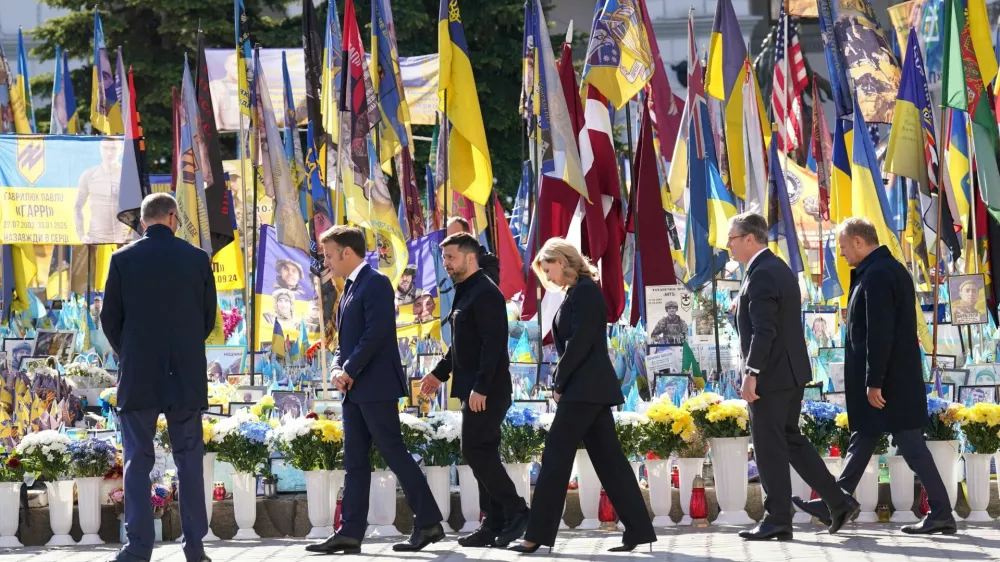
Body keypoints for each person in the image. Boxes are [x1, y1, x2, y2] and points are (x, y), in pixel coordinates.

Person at [793, 218, 958, 535]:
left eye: (842, 246)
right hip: (892, 377)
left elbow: (880, 332)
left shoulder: (879, 274)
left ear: (858, 241)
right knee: (865, 436)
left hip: (889, 382)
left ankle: (940, 512)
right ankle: (836, 502)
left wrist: (874, 381)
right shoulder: (882, 270)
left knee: (910, 444)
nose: (841, 254)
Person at [511, 237, 657, 554]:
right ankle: (639, 530)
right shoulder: (577, 292)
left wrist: (559, 382)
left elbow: (580, 343)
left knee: (554, 460)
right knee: (610, 463)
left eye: (548, 270)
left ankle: (535, 535)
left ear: (562, 262)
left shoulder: (587, 291)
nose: (547, 278)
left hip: (583, 391)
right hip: (589, 391)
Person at [306, 225, 443, 555]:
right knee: (354, 461)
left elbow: (377, 333)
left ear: (347, 253)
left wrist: (348, 369)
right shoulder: (350, 288)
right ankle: (350, 532)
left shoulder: (376, 283)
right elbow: (345, 341)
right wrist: (339, 368)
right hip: (355, 388)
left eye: (329, 255)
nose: (326, 261)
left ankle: (428, 523)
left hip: (375, 385)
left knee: (393, 452)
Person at [726, 213, 859, 541]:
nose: (727, 245)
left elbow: (764, 330)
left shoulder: (761, 275)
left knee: (769, 446)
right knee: (790, 440)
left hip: (771, 376)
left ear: (749, 239)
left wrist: (751, 373)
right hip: (788, 373)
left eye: (731, 238)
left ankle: (778, 519)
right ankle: (838, 502)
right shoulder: (774, 268)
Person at [100, 193, 214, 562]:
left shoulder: (122, 259)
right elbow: (207, 319)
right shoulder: (197, 259)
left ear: (145, 221)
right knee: (189, 461)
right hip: (185, 374)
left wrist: (132, 351)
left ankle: (137, 549)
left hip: (139, 374)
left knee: (137, 461)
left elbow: (109, 319)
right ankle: (195, 549)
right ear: (171, 216)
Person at [420, 233, 530, 548]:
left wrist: (481, 386)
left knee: (476, 451)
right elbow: (461, 345)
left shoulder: (486, 293)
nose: (446, 265)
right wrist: (439, 374)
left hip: (488, 390)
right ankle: (492, 523)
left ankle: (517, 511)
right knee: (481, 453)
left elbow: (494, 345)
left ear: (470, 258)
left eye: (450, 258)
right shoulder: (466, 291)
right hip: (474, 389)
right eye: (444, 259)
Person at [75, 137, 125, 244]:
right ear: (100, 149)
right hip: (94, 239)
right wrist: (81, 235)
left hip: (121, 240)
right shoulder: (88, 175)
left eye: (113, 148)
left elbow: (138, 207)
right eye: (105, 148)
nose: (109, 152)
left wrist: (127, 236)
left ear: (121, 150)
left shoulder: (128, 175)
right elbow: (77, 206)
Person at [446, 217, 500, 285]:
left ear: (468, 236)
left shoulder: (488, 260)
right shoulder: (445, 264)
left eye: (455, 237)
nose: (451, 242)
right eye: (448, 238)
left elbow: (487, 287)